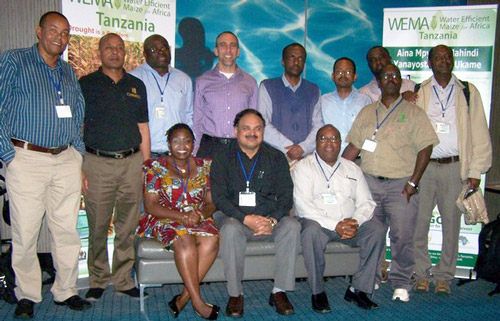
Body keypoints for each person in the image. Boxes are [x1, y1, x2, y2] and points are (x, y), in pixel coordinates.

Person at [0, 11, 91, 319]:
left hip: (65, 158)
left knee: (66, 230)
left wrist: (77, 155)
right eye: (53, 30)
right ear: (39, 31)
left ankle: (66, 291)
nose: (59, 37)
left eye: (65, 32)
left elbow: (78, 112)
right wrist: (8, 154)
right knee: (25, 232)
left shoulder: (67, 70)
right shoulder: (15, 61)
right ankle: (27, 293)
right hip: (26, 158)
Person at [343, 64, 439, 302]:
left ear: (400, 81)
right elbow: (353, 148)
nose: (391, 79)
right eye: (386, 76)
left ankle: (401, 282)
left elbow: (426, 148)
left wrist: (414, 183)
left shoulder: (414, 113)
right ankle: (371, 278)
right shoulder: (367, 113)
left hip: (401, 186)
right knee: (372, 235)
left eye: (395, 76)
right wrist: (332, 171)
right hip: (369, 185)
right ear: (379, 82)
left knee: (402, 236)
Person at [413, 44, 492, 294]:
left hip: (455, 167)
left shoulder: (468, 91)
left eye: (448, 56)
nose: (444, 61)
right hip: (424, 168)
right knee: (419, 222)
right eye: (438, 57)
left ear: (453, 61)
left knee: (451, 224)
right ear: (430, 63)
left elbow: (480, 131)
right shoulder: (419, 91)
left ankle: (444, 276)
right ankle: (422, 274)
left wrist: (476, 170)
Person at [79, 33, 150, 301]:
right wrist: (80, 167)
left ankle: (122, 279)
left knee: (127, 225)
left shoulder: (136, 85)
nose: (114, 52)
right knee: (97, 224)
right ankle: (98, 278)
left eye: (119, 48)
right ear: (100, 52)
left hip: (131, 162)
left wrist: (146, 166)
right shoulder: (86, 84)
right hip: (97, 163)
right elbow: (79, 128)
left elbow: (143, 127)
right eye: (109, 48)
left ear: (125, 53)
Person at [211, 109, 300, 318]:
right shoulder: (222, 157)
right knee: (231, 229)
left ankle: (279, 291)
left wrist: (272, 220)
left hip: (268, 219)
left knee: (292, 226)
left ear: (263, 132)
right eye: (246, 128)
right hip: (235, 217)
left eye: (257, 128)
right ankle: (235, 294)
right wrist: (246, 218)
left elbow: (287, 196)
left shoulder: (276, 157)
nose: (252, 133)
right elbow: (219, 198)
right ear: (236, 131)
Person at [292, 125, 384, 312]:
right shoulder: (303, 167)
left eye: (334, 139)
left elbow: (367, 202)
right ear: (316, 143)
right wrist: (336, 225)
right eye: (323, 138)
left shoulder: (352, 168)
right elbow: (303, 205)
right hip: (318, 223)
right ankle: (318, 292)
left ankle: (358, 289)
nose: (329, 143)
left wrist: (355, 221)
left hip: (350, 223)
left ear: (341, 144)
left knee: (377, 229)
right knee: (310, 232)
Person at [136, 123, 220, 319]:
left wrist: (200, 215)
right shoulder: (154, 166)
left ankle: (182, 299)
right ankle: (198, 303)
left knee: (212, 238)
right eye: (176, 141)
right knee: (185, 240)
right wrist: (182, 217)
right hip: (164, 217)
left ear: (193, 143)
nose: (182, 146)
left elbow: (211, 202)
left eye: (187, 141)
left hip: (197, 216)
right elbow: (150, 205)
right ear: (168, 144)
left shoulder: (205, 166)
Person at [193, 31, 257, 158]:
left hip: (240, 148)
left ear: (238, 52)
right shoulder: (202, 81)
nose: (228, 50)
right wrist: (194, 152)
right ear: (216, 51)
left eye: (233, 45)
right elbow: (197, 120)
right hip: (210, 148)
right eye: (223, 45)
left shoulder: (251, 82)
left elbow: (254, 123)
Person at [129, 34, 193, 158]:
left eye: (164, 48)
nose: (160, 52)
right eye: (154, 49)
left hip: (177, 156)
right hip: (144, 154)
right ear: (145, 54)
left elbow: (189, 115)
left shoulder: (184, 79)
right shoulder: (133, 78)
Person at [258, 43, 322, 162]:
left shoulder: (313, 90)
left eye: (301, 58)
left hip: (305, 158)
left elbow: (318, 124)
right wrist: (287, 147)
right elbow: (262, 123)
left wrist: (303, 148)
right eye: (292, 57)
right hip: (274, 156)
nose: (296, 62)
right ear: (283, 61)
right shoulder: (267, 86)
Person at [321, 57, 371, 154]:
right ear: (333, 76)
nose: (343, 75)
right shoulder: (322, 101)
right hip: (328, 159)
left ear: (355, 76)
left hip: (356, 161)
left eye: (348, 72)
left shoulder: (365, 101)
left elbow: (368, 134)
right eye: (339, 72)